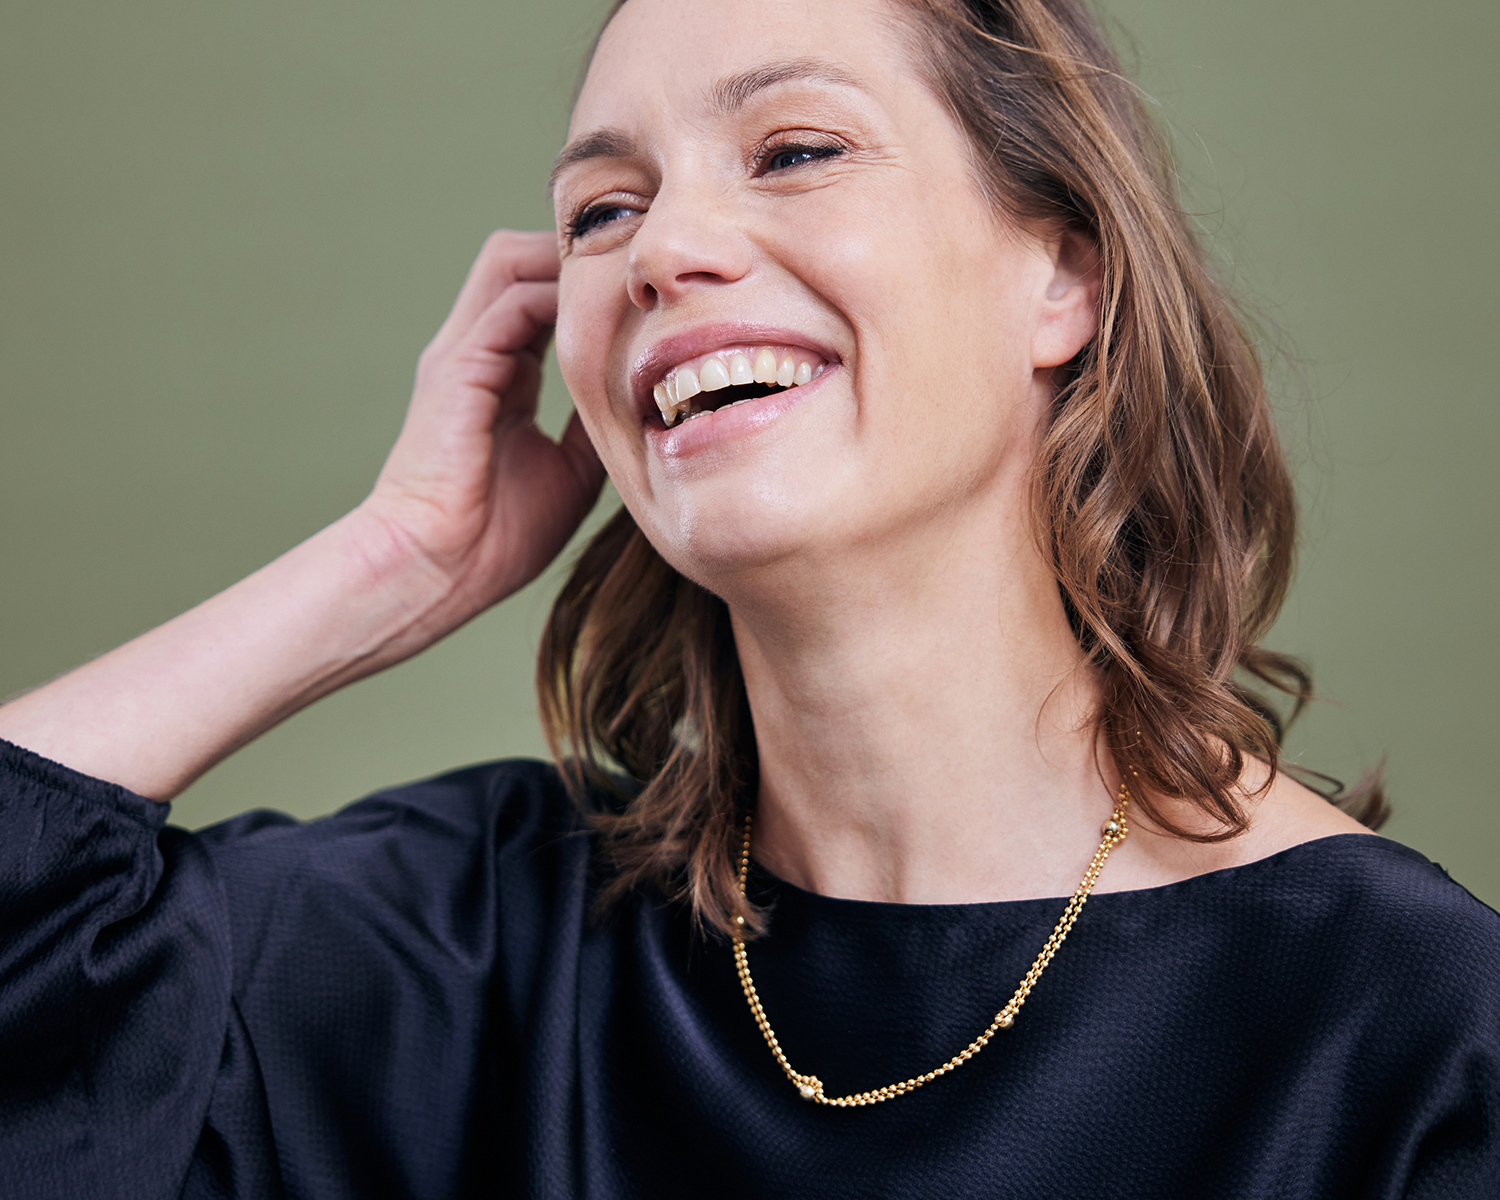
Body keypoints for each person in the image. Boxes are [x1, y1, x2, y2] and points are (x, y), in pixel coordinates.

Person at [1, 0, 1496, 1196]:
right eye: (602, 211)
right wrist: (388, 563)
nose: (662, 251)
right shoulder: (455, 956)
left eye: (794, 151)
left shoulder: (1408, 1029)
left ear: (1063, 274)